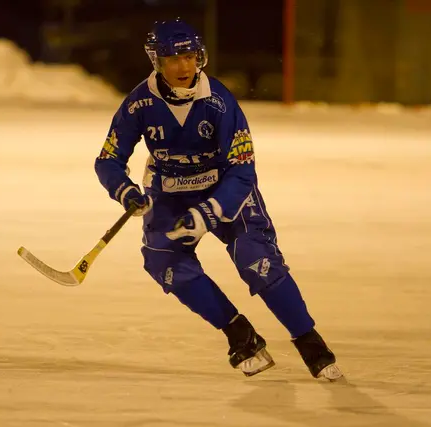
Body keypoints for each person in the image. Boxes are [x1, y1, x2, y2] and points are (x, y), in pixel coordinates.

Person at [94, 18, 342, 381]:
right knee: (163, 263)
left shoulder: (221, 102)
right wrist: (126, 191)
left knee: (255, 259)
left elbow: (243, 171)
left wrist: (209, 212)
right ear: (156, 62)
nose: (184, 67)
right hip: (170, 194)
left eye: (191, 57)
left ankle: (312, 345)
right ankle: (240, 335)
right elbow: (108, 161)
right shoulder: (138, 104)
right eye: (173, 59)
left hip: (226, 191)